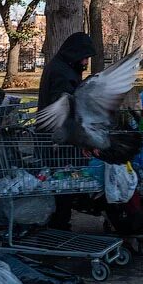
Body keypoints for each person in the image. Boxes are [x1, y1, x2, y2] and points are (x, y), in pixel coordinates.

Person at [37, 32, 96, 230]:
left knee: (61, 183)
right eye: (85, 57)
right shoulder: (63, 73)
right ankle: (59, 224)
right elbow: (61, 105)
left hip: (56, 137)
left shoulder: (62, 67)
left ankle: (60, 221)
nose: (87, 61)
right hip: (58, 139)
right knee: (62, 183)